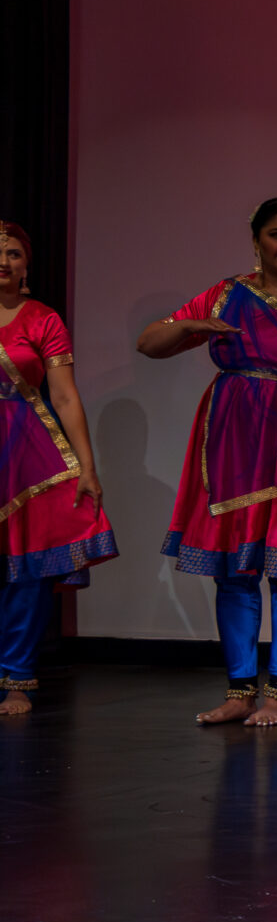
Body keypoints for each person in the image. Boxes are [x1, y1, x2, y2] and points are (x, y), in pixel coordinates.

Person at [139, 198, 277, 726]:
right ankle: (239, 690)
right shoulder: (226, 294)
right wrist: (193, 326)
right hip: (234, 439)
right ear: (256, 238)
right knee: (234, 571)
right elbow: (150, 343)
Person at [0, 220, 113, 716]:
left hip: (29, 450)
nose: (3, 261)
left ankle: (17, 677)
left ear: (26, 265)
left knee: (27, 570)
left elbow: (64, 395)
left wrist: (86, 467)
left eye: (13, 253)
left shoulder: (43, 318)